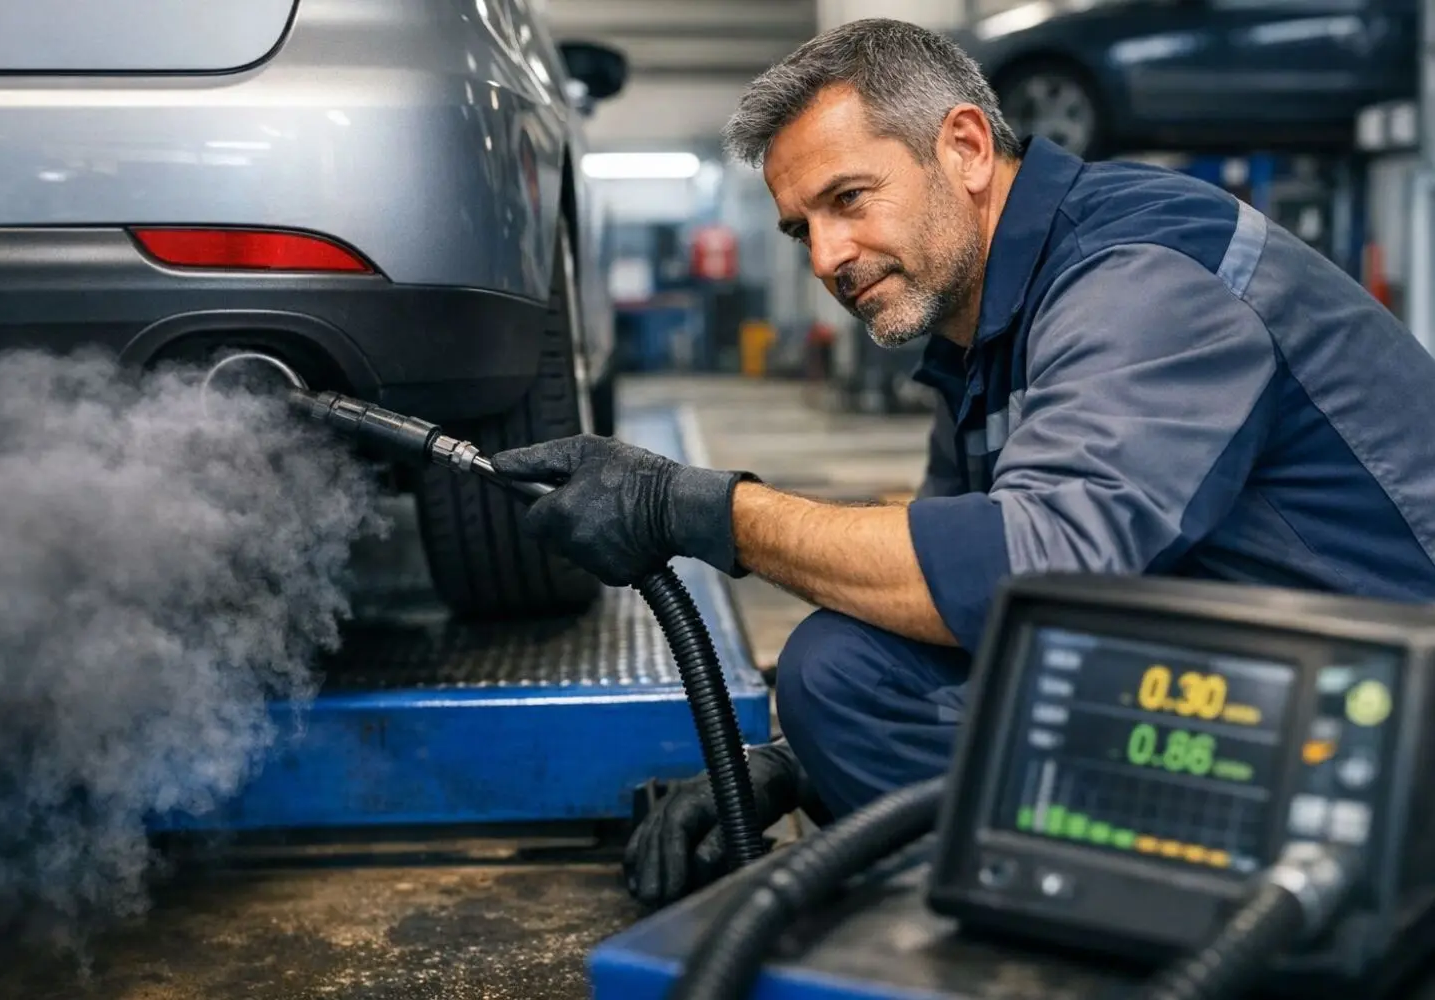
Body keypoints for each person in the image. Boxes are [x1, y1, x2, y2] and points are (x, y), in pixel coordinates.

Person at [493, 18, 1435, 905]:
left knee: (838, 673)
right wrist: (787, 766)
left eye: (848, 200)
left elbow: (1038, 567)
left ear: (968, 149)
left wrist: (698, 510)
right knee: (848, 672)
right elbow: (946, 594)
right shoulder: (985, 332)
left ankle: (1164, 931)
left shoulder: (1139, 270)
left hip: (1386, 729)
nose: (826, 256)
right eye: (800, 229)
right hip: (1262, 664)